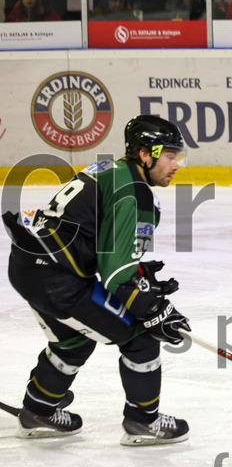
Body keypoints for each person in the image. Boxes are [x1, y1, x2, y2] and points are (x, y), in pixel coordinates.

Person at [2, 116, 192, 444]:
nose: (176, 165)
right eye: (170, 156)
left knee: (73, 341)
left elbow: (107, 252)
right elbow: (118, 274)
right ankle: (143, 421)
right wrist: (155, 310)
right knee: (140, 337)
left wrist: (139, 280)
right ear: (146, 154)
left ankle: (39, 411)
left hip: (29, 267)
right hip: (59, 279)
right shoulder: (135, 192)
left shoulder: (108, 170)